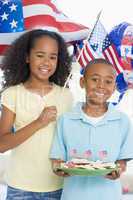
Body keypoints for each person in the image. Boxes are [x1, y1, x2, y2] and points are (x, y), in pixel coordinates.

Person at [0, 29, 73, 200]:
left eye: (52, 57)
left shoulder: (66, 95)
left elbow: (70, 140)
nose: (46, 62)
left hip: (57, 186)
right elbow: (2, 145)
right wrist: (39, 122)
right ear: (27, 57)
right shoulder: (12, 94)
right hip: (20, 188)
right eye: (40, 55)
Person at [50, 58, 133, 200]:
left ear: (114, 88)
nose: (101, 86)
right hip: (73, 195)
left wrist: (118, 169)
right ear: (82, 82)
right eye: (95, 79)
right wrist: (58, 168)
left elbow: (122, 162)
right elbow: (57, 159)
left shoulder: (122, 121)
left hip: (109, 195)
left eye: (108, 81)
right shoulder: (66, 120)